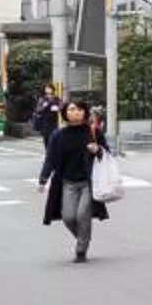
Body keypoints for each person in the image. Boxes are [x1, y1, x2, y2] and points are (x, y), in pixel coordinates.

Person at [36, 100, 106, 262]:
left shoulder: (93, 132)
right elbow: (51, 159)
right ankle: (83, 237)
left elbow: (107, 152)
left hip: (89, 182)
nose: (77, 112)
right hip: (68, 182)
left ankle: (81, 249)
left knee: (82, 214)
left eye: (80, 109)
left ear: (85, 112)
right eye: (72, 109)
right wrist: (43, 179)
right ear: (65, 113)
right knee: (68, 217)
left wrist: (98, 150)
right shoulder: (58, 136)